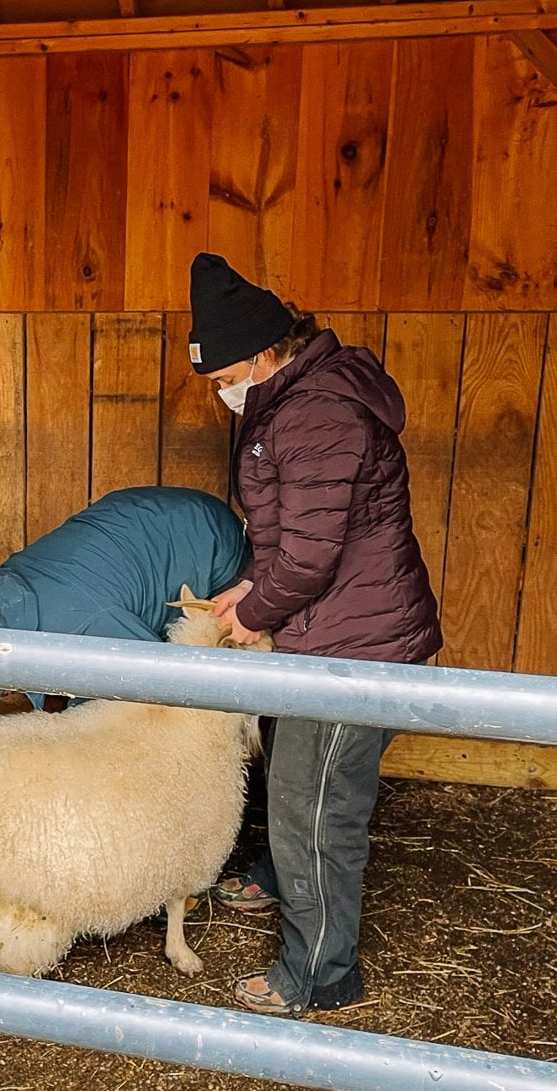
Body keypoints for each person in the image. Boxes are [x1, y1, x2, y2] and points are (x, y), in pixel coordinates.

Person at [187, 251, 441, 1017]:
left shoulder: (316, 414)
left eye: (222, 376)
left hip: (356, 649)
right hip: (332, 627)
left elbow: (310, 555)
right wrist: (251, 588)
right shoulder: (294, 400)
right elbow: (297, 540)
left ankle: (322, 973)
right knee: (296, 773)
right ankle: (278, 875)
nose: (219, 393)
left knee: (315, 803)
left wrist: (250, 612)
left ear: (264, 354)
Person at [0, 485, 248, 705]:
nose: (11, 693)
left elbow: (147, 677)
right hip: (148, 511)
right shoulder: (4, 589)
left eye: (6, 690)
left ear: (5, 668)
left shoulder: (81, 624)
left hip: (208, 539)